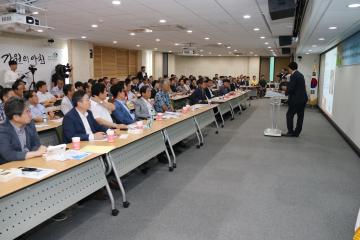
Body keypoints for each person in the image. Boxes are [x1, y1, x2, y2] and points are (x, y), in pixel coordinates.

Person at [0, 97, 47, 164]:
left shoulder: (30, 124)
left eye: (30, 111)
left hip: (28, 162)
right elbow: (9, 155)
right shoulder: (2, 131)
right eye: (27, 112)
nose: (31, 115)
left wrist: (40, 150)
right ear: (16, 117)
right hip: (9, 166)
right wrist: (35, 153)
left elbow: (35, 145)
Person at [284, 62, 308, 137]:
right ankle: (297, 132)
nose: (288, 70)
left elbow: (291, 88)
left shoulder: (293, 76)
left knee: (289, 115)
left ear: (290, 68)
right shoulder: (300, 75)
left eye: (288, 68)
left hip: (296, 100)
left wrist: (285, 91)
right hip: (303, 99)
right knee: (300, 117)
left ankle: (290, 132)